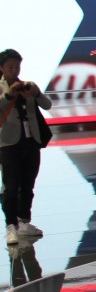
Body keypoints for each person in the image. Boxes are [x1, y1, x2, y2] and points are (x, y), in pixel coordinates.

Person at [0, 49, 52, 246]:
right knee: (11, 187)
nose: (14, 70)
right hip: (8, 143)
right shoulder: (2, 88)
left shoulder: (28, 85)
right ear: (1, 68)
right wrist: (8, 95)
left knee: (28, 185)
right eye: (10, 67)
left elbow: (47, 105)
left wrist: (36, 93)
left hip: (31, 142)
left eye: (17, 67)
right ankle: (11, 226)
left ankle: (24, 222)